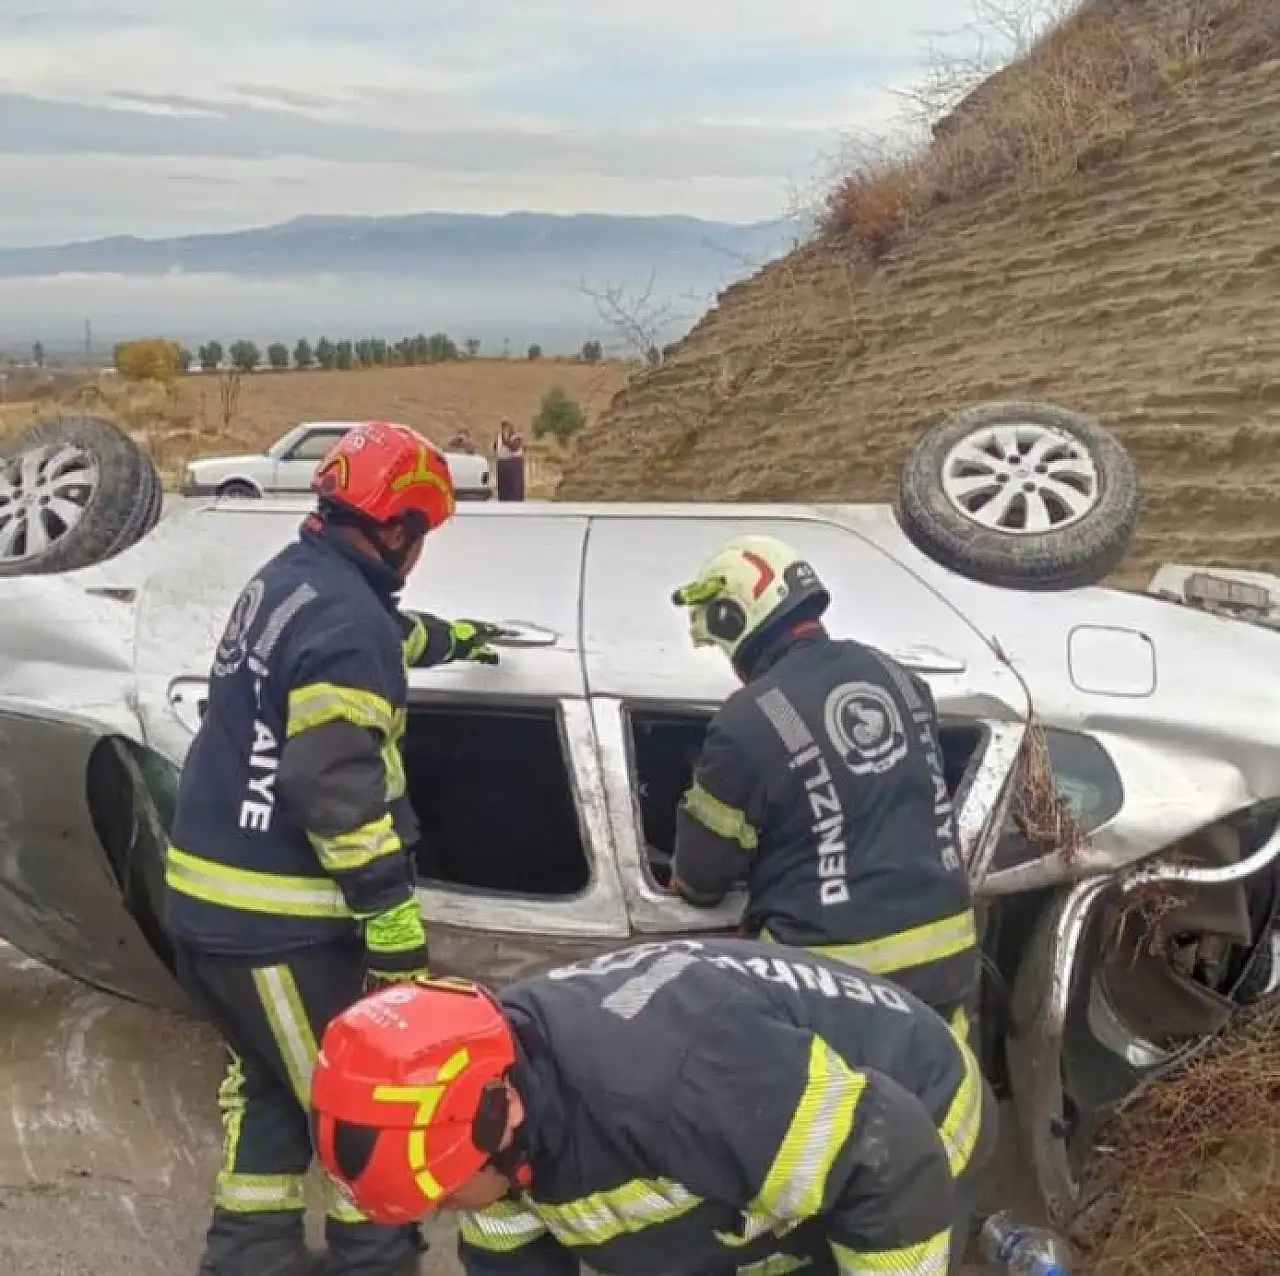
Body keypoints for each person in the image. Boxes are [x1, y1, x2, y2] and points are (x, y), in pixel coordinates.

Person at [163, 420, 505, 1276]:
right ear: (397, 529)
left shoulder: (291, 580)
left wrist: (450, 639)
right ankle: (371, 1263)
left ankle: (251, 1259)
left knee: (272, 1093)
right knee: (362, 1108)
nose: (419, 551)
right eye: (421, 533)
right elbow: (331, 782)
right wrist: (389, 914)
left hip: (216, 907)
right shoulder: (350, 626)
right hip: (276, 925)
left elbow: (371, 633)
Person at [310, 936, 999, 1276]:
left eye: (441, 1196)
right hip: (785, 1121)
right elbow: (507, 1242)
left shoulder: (666, 1086)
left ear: (500, 1121)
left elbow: (890, 1161)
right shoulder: (494, 1088)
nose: (441, 1211)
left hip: (920, 1127)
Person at [666, 534, 979, 1038]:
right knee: (942, 1078)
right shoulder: (900, 678)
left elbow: (703, 879)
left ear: (733, 618)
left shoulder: (747, 721)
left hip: (831, 981)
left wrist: (685, 881)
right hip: (947, 960)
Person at [493, 419, 525, 502]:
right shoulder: (499, 437)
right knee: (503, 490)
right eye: (503, 426)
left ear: (511, 427)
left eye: (507, 426)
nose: (505, 428)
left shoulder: (516, 436)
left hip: (514, 463)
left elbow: (514, 448)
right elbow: (495, 449)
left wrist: (505, 440)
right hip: (502, 464)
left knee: (515, 489)